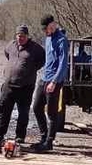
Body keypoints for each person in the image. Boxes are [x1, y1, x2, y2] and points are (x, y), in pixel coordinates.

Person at [0, 25, 44, 143]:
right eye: (19, 36)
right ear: (16, 36)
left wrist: (31, 69)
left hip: (25, 87)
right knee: (3, 110)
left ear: (27, 36)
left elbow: (42, 60)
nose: (21, 38)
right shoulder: (11, 45)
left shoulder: (36, 48)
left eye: (23, 36)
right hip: (9, 85)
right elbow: (7, 54)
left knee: (23, 113)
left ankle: (20, 136)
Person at [30, 15, 68, 152]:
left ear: (52, 25)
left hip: (54, 81)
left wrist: (54, 81)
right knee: (36, 107)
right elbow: (48, 59)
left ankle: (49, 142)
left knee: (52, 113)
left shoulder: (62, 40)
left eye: (46, 29)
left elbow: (63, 64)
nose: (45, 32)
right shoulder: (47, 38)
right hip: (44, 78)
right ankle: (43, 136)